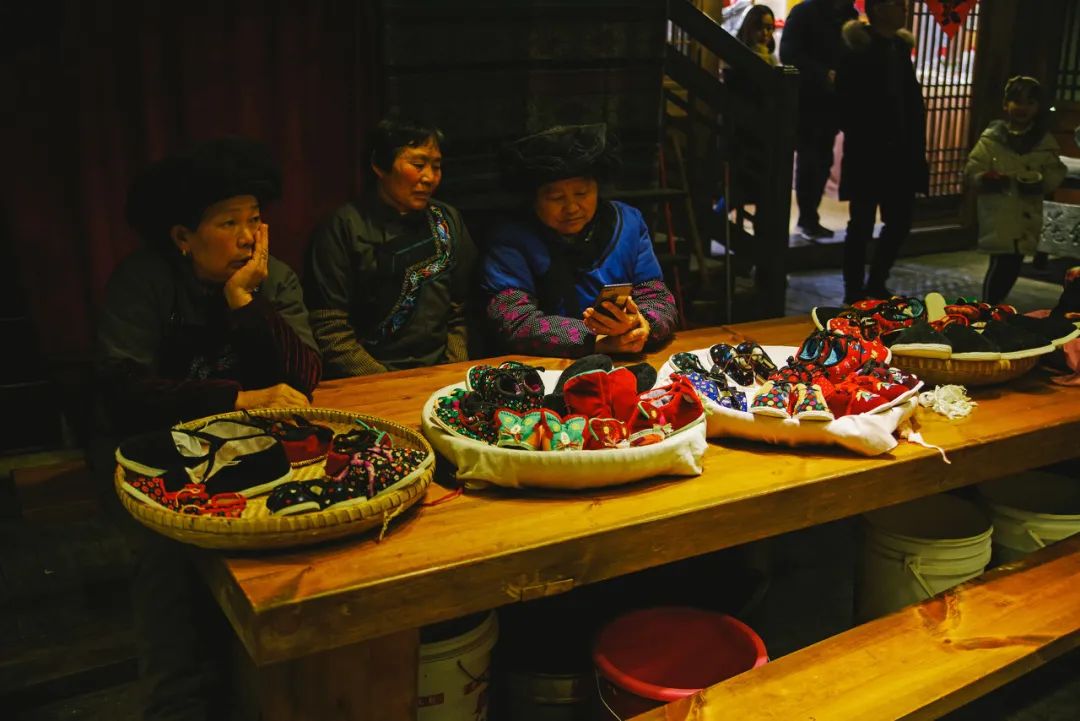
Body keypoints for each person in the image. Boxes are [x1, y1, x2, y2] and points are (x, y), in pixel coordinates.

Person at [96, 137, 321, 721]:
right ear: (182, 237)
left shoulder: (271, 278)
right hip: (157, 460)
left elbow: (303, 377)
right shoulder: (143, 282)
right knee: (168, 579)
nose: (250, 237)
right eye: (229, 222)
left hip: (250, 454)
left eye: (256, 220)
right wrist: (238, 396)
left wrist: (245, 302)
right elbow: (122, 391)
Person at [481, 123, 678, 358]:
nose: (572, 207)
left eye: (582, 193)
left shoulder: (628, 224)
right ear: (533, 198)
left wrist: (640, 325)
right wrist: (595, 340)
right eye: (556, 197)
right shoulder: (511, 238)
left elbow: (656, 296)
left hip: (626, 362)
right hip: (544, 371)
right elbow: (514, 319)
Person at [304, 115, 477, 377]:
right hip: (369, 379)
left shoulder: (447, 220)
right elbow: (330, 328)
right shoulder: (344, 226)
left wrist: (452, 371)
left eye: (437, 166)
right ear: (379, 166)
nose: (429, 178)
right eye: (418, 164)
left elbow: (459, 311)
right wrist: (386, 381)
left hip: (442, 373)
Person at [836, 0, 929, 303]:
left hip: (902, 152)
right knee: (861, 223)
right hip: (868, 150)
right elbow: (846, 103)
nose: (902, 9)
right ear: (877, 9)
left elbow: (909, 100)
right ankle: (853, 290)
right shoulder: (858, 49)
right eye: (896, 4)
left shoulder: (899, 48)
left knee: (900, 221)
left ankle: (876, 280)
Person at [965, 76, 1067, 304]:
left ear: (1038, 107)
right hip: (998, 211)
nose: (1022, 108)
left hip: (1026, 212)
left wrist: (1039, 181)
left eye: (1030, 102)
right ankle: (988, 308)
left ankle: (991, 308)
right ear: (1006, 105)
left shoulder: (1043, 141)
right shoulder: (991, 139)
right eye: (1017, 101)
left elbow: (1055, 172)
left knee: (1013, 263)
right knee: (1002, 263)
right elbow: (973, 170)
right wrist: (985, 177)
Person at [780, 0, 859, 241]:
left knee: (822, 160)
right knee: (810, 160)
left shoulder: (849, 14)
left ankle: (810, 217)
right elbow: (789, 55)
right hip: (808, 100)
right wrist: (822, 73)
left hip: (837, 101)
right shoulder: (804, 12)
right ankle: (807, 217)